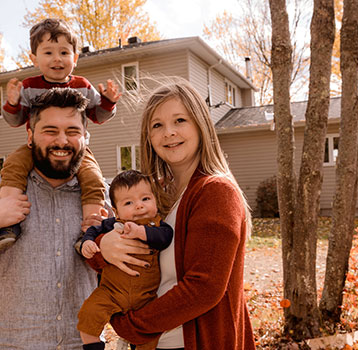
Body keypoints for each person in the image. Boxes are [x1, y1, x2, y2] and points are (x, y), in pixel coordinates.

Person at [88, 79, 256, 349]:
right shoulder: (152, 197)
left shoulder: (215, 192)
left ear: (200, 125)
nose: (169, 133)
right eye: (157, 125)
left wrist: (129, 325)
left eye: (180, 120)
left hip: (192, 343)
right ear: (149, 136)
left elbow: (203, 289)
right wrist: (101, 245)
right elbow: (104, 252)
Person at [0, 88, 107, 349]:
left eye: (72, 131)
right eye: (50, 131)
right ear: (30, 136)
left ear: (85, 138)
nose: (62, 141)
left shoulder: (101, 200)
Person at [0, 18, 121, 253]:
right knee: (13, 166)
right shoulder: (30, 87)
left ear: (75, 57)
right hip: (36, 149)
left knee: (93, 178)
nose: (57, 59)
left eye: (64, 52)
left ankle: (90, 230)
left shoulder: (82, 85)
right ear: (34, 58)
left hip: (78, 152)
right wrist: (13, 103)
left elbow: (97, 116)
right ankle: (8, 223)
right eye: (48, 52)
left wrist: (109, 102)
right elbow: (15, 120)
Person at [77, 170, 173, 350]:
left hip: (146, 297)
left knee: (149, 336)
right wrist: (87, 243)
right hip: (112, 291)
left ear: (155, 199)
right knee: (88, 314)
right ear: (116, 210)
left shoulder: (158, 225)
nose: (139, 206)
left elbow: (165, 237)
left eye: (145, 199)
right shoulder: (113, 224)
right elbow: (93, 231)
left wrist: (141, 232)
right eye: (129, 202)